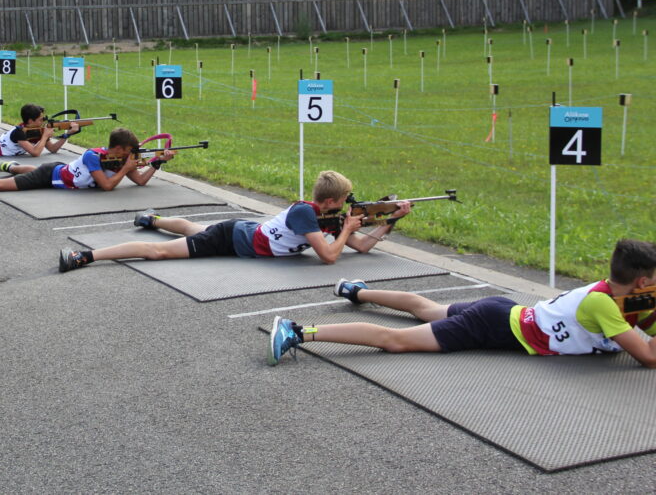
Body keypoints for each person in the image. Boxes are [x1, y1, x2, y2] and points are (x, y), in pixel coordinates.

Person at [267, 238, 656, 367]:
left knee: (426, 309)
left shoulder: (622, 295)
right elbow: (648, 356)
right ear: (641, 281)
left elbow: (646, 330)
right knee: (394, 341)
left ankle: (355, 291)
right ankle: (298, 331)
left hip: (503, 311)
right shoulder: (604, 304)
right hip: (495, 325)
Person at [56, 170, 409, 273]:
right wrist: (346, 229)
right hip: (234, 238)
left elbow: (362, 246)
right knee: (158, 252)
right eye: (344, 201)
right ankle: (86, 255)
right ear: (330, 202)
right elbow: (329, 256)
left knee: (194, 229)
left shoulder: (328, 219)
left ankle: (153, 219)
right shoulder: (306, 213)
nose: (346, 207)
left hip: (243, 234)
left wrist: (390, 221)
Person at [0, 127, 171, 199]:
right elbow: (107, 186)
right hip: (50, 176)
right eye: (128, 152)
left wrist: (157, 163)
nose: (130, 156)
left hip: (60, 175)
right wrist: (126, 168)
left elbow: (140, 181)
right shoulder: (93, 156)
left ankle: (12, 166)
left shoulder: (118, 159)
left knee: (24, 170)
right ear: (118, 149)